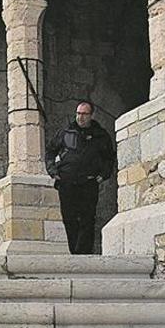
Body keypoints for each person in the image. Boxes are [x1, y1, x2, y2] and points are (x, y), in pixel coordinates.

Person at [45, 101, 115, 255]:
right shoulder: (66, 132)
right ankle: (74, 252)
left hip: (89, 183)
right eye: (78, 113)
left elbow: (109, 159)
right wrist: (53, 171)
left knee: (87, 218)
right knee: (69, 218)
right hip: (67, 182)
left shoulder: (101, 136)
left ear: (91, 115)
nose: (80, 117)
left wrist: (103, 176)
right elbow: (50, 151)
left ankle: (83, 253)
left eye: (84, 114)